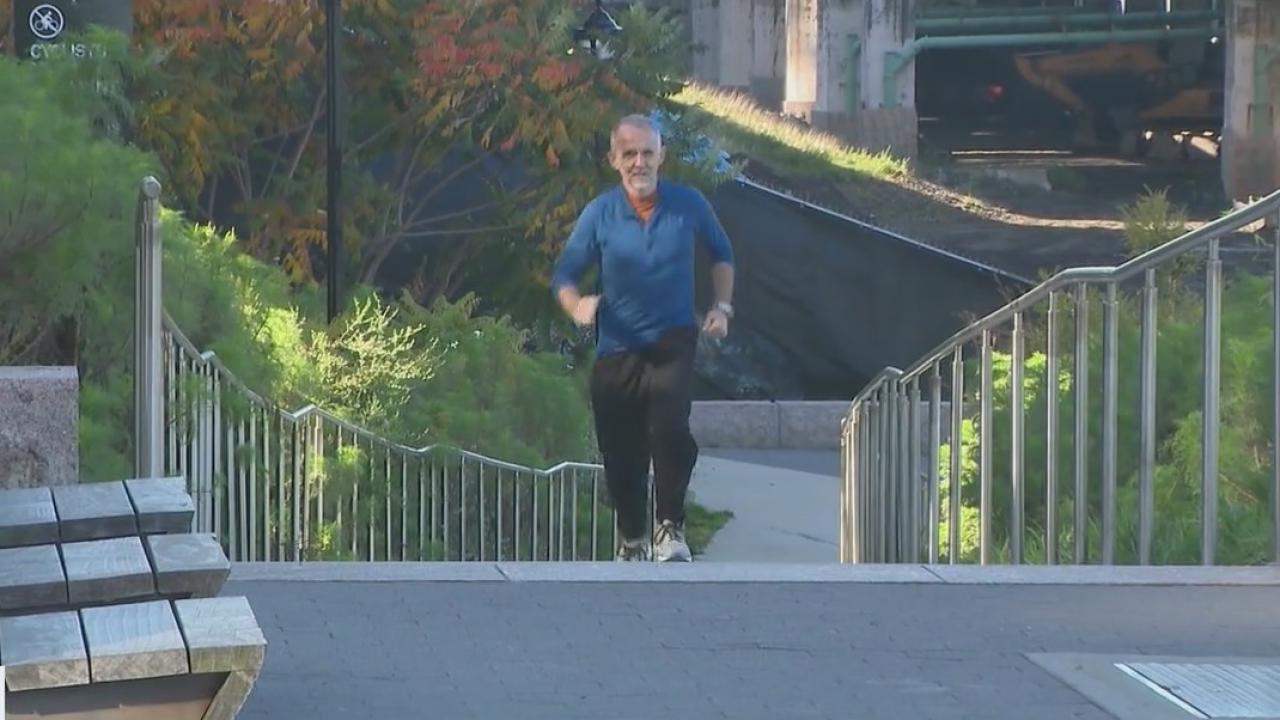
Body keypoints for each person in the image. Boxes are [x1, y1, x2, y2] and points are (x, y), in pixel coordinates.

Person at [550, 113, 736, 562]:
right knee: (619, 449)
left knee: (670, 428)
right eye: (629, 154)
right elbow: (565, 274)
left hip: (673, 339)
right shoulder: (600, 213)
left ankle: (669, 527)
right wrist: (577, 306)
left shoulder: (687, 205)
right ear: (614, 160)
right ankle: (631, 535)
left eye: (647, 153)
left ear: (662, 156)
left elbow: (721, 253)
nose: (639, 163)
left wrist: (722, 307)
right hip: (617, 345)